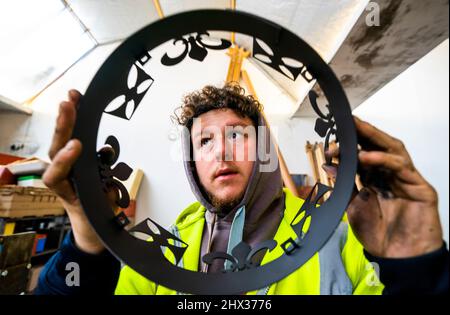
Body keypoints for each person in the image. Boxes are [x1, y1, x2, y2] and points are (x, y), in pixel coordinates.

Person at [35, 84, 448, 295]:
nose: (222, 153)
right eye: (205, 142)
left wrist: (419, 272)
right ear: (191, 161)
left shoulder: (341, 241)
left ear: (265, 148)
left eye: (238, 136)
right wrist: (85, 248)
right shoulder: (157, 257)